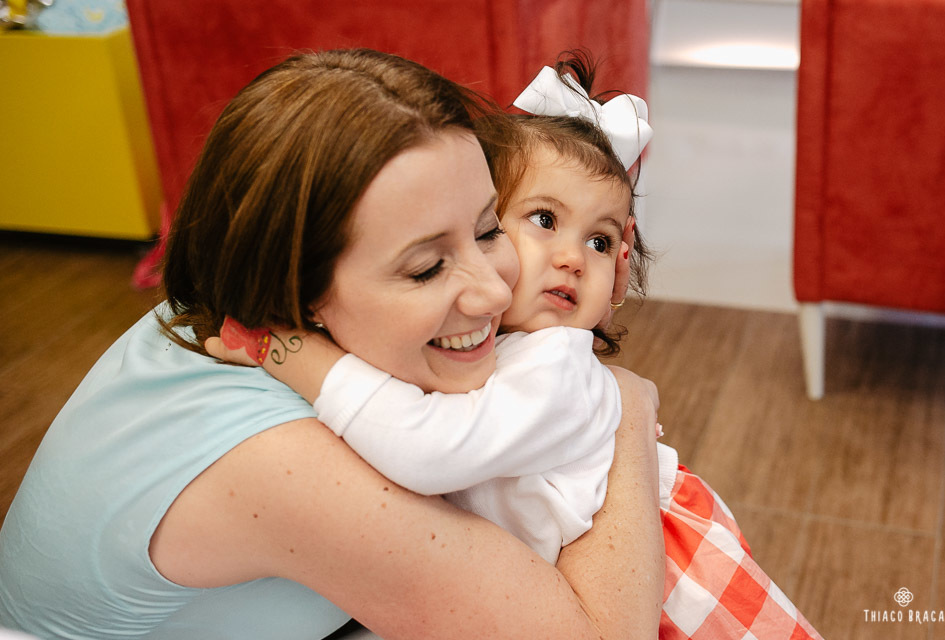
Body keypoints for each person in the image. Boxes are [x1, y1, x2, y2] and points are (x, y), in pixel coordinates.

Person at [0, 49, 664, 640]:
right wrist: (624, 406)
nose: (492, 291)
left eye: (489, 228)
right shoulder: (282, 461)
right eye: (427, 267)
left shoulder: (237, 306)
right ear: (300, 288)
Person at [207, 56, 823, 640]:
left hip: (670, 587)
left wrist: (294, 356)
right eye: (544, 220)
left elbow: (428, 448)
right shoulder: (491, 351)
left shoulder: (557, 367)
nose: (573, 259)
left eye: (602, 243)